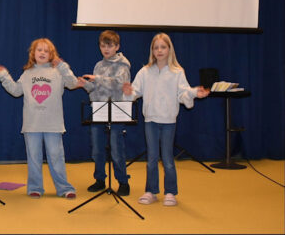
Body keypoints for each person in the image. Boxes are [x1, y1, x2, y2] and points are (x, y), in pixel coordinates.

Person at [123, 32, 209, 207]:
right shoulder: (145, 72)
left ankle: (170, 192)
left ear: (169, 49)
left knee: (167, 158)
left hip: (169, 121)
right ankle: (151, 191)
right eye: (156, 48)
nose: (159, 50)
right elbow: (135, 92)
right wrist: (128, 92)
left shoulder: (177, 72)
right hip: (151, 120)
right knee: (152, 157)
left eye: (163, 47)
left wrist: (194, 93)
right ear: (152, 51)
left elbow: (183, 93)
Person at [0, 38, 85, 199]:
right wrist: (3, 76)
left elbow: (73, 83)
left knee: (56, 157)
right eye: (39, 50)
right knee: (34, 158)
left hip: (53, 124)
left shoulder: (58, 71)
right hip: (32, 124)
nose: (42, 53)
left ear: (52, 54)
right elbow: (16, 91)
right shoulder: (28, 73)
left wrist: (62, 66)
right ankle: (35, 187)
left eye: (46, 51)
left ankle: (64, 188)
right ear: (33, 53)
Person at [81, 30, 132, 196]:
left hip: (116, 110)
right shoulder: (99, 65)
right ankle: (100, 180)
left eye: (109, 46)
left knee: (116, 149)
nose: (106, 49)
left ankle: (123, 181)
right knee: (97, 148)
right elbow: (95, 89)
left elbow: (119, 84)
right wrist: (85, 85)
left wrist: (97, 79)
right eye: (103, 46)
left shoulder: (123, 64)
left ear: (117, 46)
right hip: (99, 110)